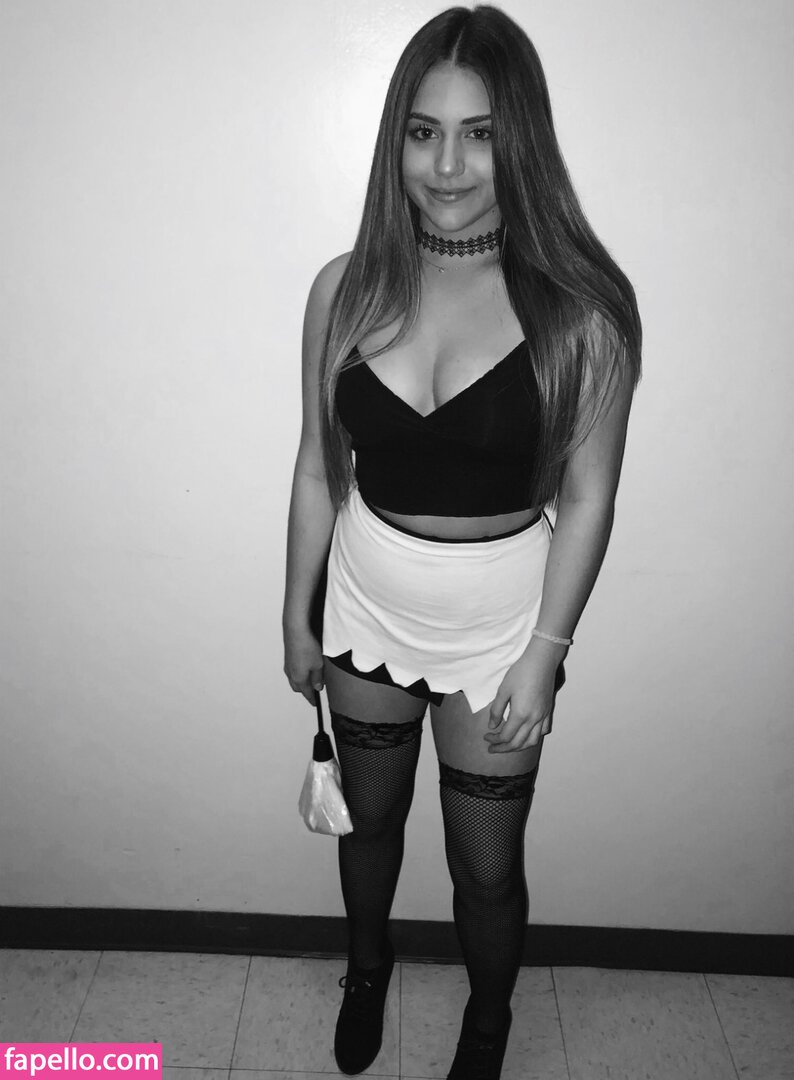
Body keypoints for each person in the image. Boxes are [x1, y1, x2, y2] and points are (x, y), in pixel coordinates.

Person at [283, 5, 641, 1078]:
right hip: (367, 601)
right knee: (371, 827)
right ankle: (366, 969)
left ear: (518, 139)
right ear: (395, 139)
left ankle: (487, 1022)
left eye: (478, 134)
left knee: (485, 868)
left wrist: (545, 653)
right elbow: (317, 469)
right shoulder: (344, 289)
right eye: (423, 131)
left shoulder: (580, 312)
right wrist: (295, 616)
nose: (446, 166)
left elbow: (589, 498)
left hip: (502, 626)